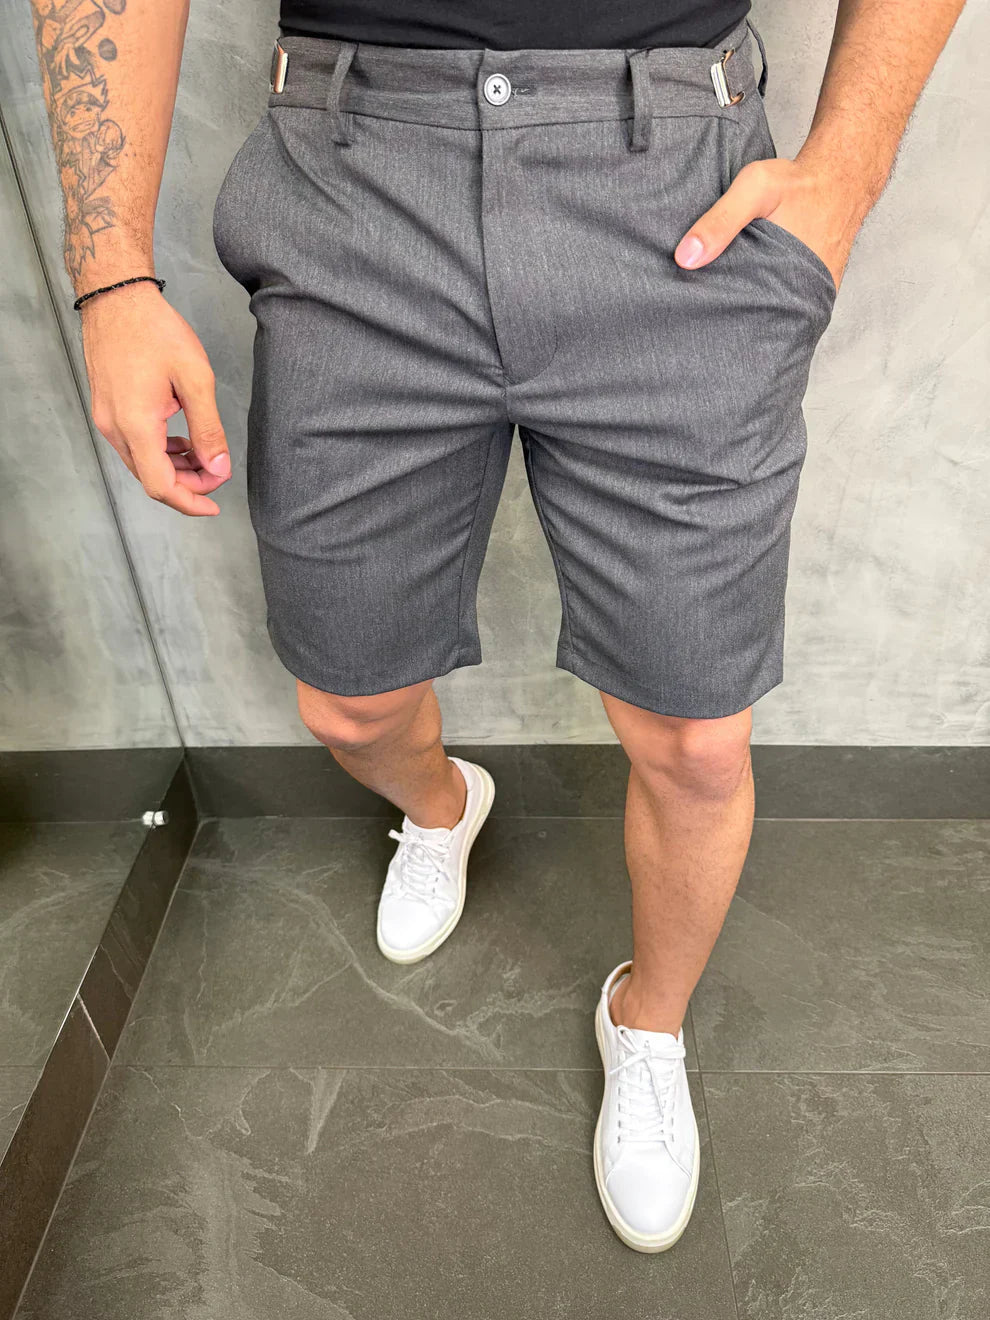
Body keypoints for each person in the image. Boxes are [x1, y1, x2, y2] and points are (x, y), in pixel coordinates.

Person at [30, 0, 966, 1254]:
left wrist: (846, 171)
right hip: (356, 185)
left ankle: (647, 1025)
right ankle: (442, 806)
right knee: (347, 698)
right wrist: (110, 278)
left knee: (698, 739)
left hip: (674, 192)